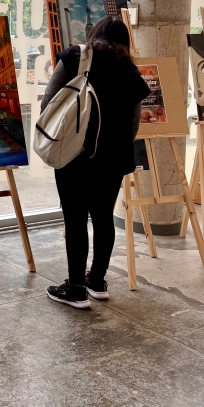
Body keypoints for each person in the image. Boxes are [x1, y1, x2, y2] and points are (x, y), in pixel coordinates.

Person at [41, 16, 150, 309]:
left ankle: (76, 289)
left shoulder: (75, 58)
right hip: (113, 158)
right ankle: (97, 281)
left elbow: (48, 103)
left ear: (95, 34)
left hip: (73, 154)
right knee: (103, 218)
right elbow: (133, 125)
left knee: (75, 219)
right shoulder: (130, 72)